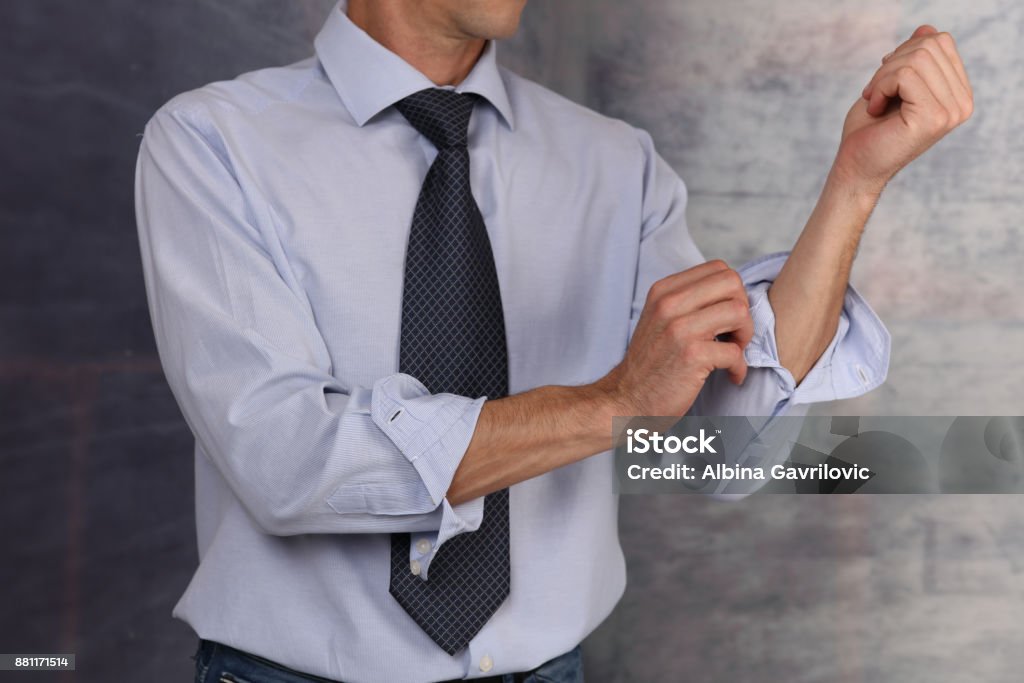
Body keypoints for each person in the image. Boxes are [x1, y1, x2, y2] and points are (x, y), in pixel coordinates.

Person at [133, 0, 973, 681]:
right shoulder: (214, 144)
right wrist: (613, 402)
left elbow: (720, 456)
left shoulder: (617, 164)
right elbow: (287, 463)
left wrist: (855, 184)